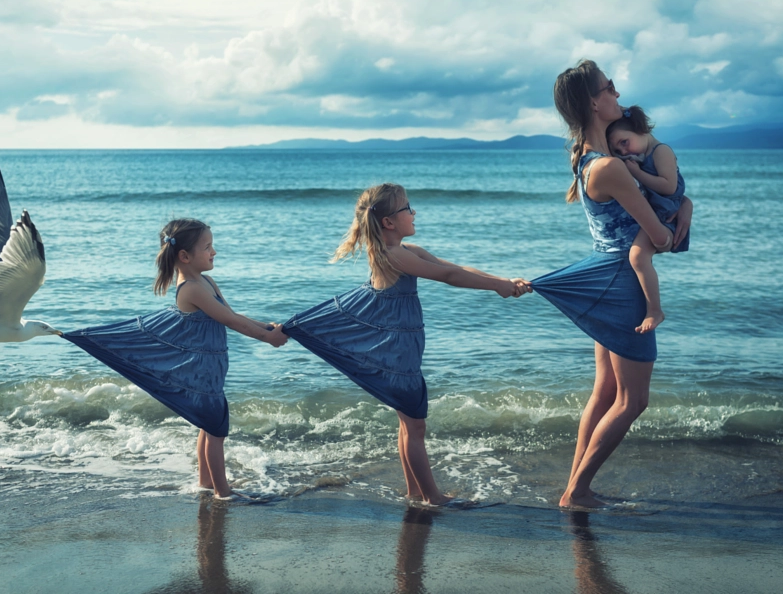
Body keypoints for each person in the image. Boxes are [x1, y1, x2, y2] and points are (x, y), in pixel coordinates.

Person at [281, 184, 531, 505]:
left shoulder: (406, 250)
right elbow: (448, 277)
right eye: (407, 209)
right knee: (415, 426)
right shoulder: (394, 255)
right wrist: (496, 287)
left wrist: (503, 281)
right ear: (388, 222)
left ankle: (415, 491)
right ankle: (432, 497)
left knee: (408, 424)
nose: (414, 213)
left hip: (402, 346)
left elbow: (454, 268)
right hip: (397, 351)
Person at [534, 60, 692, 509]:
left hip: (606, 276)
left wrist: (681, 207)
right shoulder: (611, 167)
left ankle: (575, 487)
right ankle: (577, 492)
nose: (617, 92)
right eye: (609, 87)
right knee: (633, 400)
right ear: (593, 102)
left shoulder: (589, 161)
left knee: (605, 392)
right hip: (623, 285)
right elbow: (658, 238)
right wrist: (677, 218)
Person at [62, 218, 287, 498]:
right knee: (216, 430)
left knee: (209, 426)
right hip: (201, 369)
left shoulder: (206, 281)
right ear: (184, 256)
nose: (214, 251)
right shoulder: (191, 288)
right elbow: (230, 321)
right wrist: (267, 338)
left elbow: (232, 314)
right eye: (207, 247)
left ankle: (206, 483)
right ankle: (223, 493)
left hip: (213, 365)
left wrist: (267, 327)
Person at [606, 105, 689, 333]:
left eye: (625, 142)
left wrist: (637, 173)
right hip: (656, 211)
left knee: (638, 257)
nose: (624, 151)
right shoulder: (641, 154)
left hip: (664, 213)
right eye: (618, 150)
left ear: (641, 129)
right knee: (638, 258)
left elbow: (668, 186)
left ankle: (655, 311)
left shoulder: (661, 151)